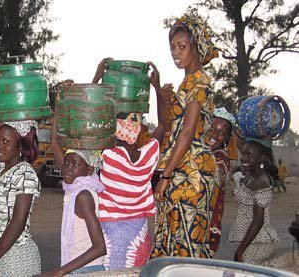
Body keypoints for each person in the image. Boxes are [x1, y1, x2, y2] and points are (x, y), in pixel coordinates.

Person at [151, 12, 219, 259]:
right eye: (172, 48)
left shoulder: (199, 82)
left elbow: (188, 131)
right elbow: (168, 125)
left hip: (193, 173)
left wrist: (166, 175)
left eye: (182, 47)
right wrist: (158, 91)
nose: (175, 53)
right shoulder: (186, 83)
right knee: (174, 241)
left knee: (187, 245)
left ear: (197, 47)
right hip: (183, 170)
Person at [93, 59, 171, 269]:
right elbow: (164, 123)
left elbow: (90, 121)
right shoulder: (148, 156)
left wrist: (98, 77)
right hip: (140, 229)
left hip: (111, 229)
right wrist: (156, 87)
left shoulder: (109, 156)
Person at [0, 65, 41, 276]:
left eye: (6, 142)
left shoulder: (25, 173)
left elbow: (18, 223)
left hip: (15, 255)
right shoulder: (3, 167)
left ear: (20, 145)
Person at [39, 118, 106, 276]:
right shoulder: (77, 185)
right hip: (79, 268)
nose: (67, 168)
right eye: (66, 163)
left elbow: (100, 247)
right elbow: (54, 144)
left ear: (89, 170)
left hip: (87, 270)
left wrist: (59, 272)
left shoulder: (83, 195)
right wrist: (57, 111)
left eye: (74, 164)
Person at [228, 138, 279, 264]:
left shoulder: (259, 182)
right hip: (251, 240)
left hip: (258, 241)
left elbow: (258, 221)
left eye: (249, 155)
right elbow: (240, 143)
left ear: (262, 158)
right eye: (243, 154)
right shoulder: (252, 175)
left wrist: (239, 251)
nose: (243, 158)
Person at [205, 107, 236, 256]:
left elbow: (213, 179)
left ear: (227, 138)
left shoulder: (220, 157)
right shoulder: (201, 151)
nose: (214, 135)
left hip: (205, 225)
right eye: (212, 128)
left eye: (221, 133)